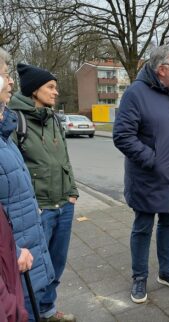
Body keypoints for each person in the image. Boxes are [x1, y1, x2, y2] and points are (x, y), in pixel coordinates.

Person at [113, 45, 169, 303]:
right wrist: (153, 160)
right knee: (143, 227)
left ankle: (166, 271)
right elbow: (122, 136)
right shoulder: (135, 94)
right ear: (162, 69)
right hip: (148, 177)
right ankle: (139, 277)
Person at [9, 63, 78, 321]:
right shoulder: (15, 121)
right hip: (38, 209)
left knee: (56, 264)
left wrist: (72, 192)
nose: (55, 92)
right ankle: (30, 314)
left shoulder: (53, 119)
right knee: (33, 270)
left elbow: (65, 159)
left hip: (64, 203)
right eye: (50, 87)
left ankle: (48, 309)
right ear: (34, 90)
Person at [0, 47, 54, 322]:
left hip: (24, 253)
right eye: (5, 75)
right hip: (12, 262)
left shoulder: (4, 131)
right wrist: (11, 250)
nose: (10, 82)